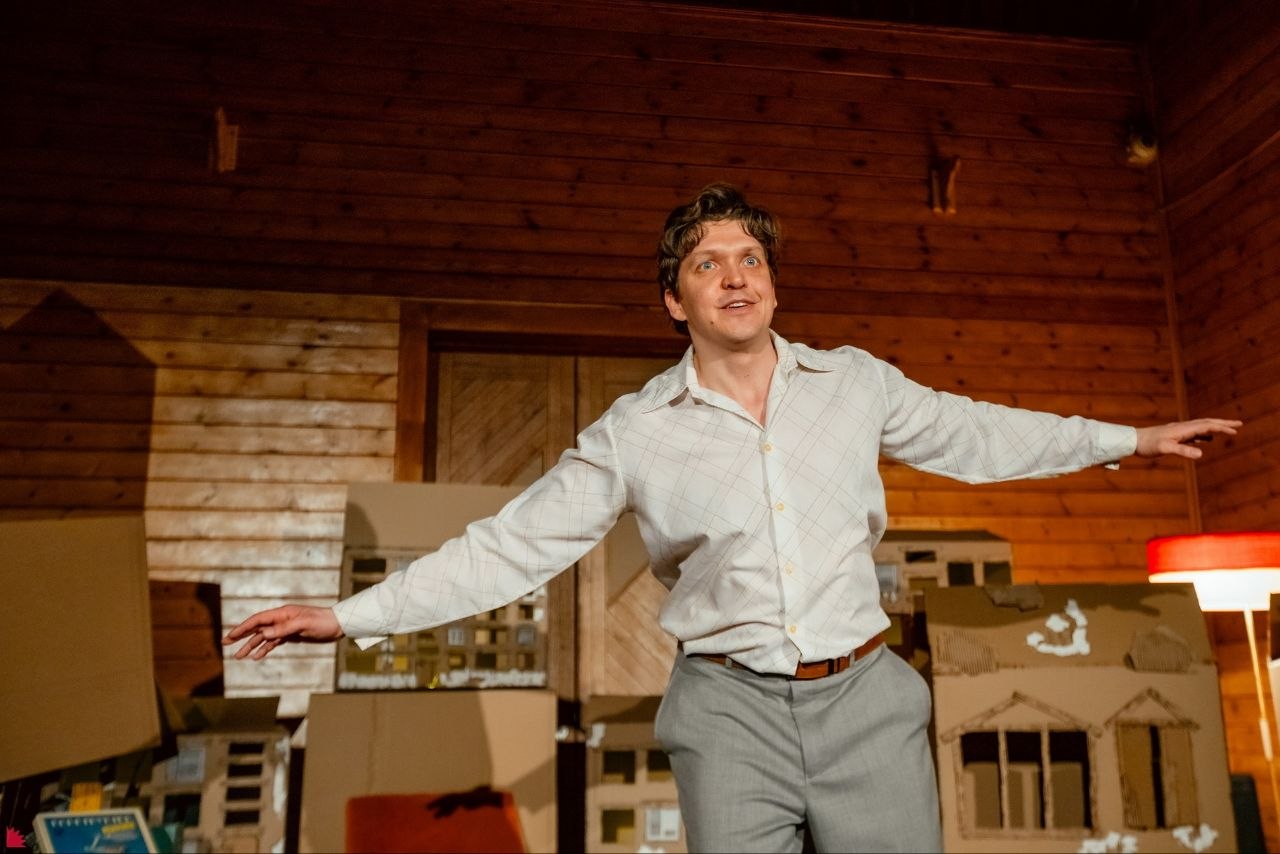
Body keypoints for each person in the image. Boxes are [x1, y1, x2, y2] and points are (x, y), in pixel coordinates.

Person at [225, 183, 1241, 853]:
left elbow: (980, 433)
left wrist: (1131, 437)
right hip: (727, 713)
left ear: (772, 282)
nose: (734, 274)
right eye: (707, 263)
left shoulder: (854, 384)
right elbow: (514, 543)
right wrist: (348, 615)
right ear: (675, 300)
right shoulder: (635, 432)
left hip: (866, 702)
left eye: (749, 256)